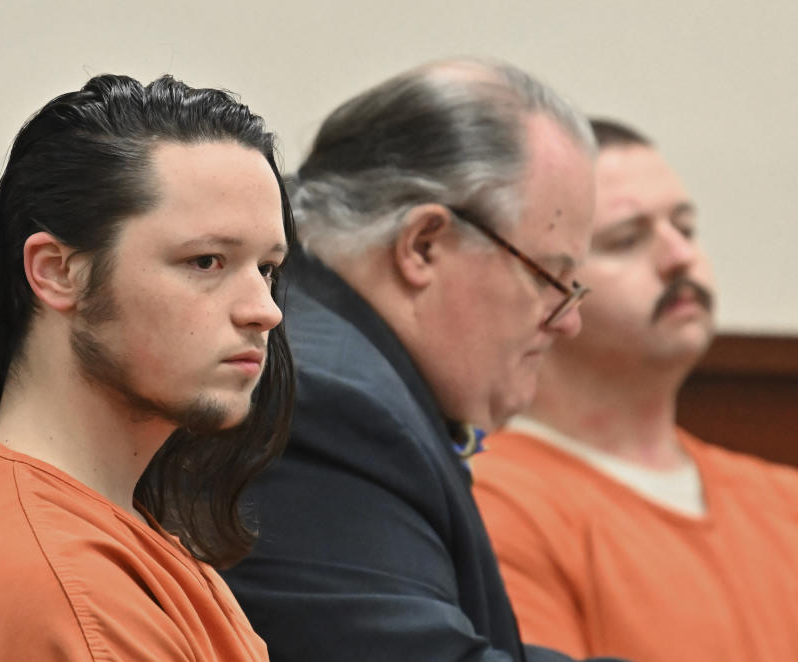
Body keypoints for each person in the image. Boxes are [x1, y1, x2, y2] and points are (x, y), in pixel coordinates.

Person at [0, 74, 296, 661]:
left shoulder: (97, 530)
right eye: (206, 261)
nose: (264, 310)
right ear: (59, 271)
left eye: (266, 267)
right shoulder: (56, 593)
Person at [223, 58, 614, 662]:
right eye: (551, 277)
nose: (569, 319)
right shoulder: (323, 405)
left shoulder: (343, 366)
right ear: (423, 246)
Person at [471, 118, 798, 662]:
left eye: (686, 228)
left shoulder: (784, 497)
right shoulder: (497, 499)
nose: (680, 258)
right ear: (545, 282)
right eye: (627, 239)